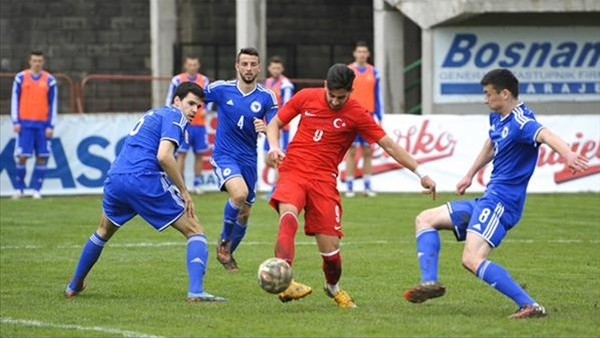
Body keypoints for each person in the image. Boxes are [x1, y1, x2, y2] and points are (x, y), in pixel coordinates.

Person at [403, 68, 589, 319]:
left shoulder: (521, 121)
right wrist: (470, 174)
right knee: (425, 218)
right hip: (489, 199)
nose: (485, 99)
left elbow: (545, 134)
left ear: (505, 93)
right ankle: (430, 284)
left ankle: (530, 305)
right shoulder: (498, 118)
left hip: (502, 204)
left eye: (488, 94)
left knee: (471, 259)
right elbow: (491, 143)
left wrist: (567, 154)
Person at [266, 64, 436, 308]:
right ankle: (284, 280)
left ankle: (333, 288)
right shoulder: (305, 97)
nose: (335, 101)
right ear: (325, 85)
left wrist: (421, 173)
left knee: (331, 254)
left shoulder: (357, 113)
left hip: (324, 181)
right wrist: (274, 146)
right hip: (294, 170)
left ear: (351, 92)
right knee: (288, 216)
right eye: (331, 95)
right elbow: (275, 124)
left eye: (341, 97)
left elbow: (388, 145)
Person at [65, 82, 226, 303]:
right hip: (144, 179)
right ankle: (196, 291)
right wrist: (184, 191)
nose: (193, 111)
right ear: (177, 101)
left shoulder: (154, 114)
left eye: (198, 107)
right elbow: (164, 156)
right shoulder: (174, 116)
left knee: (103, 230)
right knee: (195, 229)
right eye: (190, 104)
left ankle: (74, 285)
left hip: (116, 179)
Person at [205, 47, 278, 271]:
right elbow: (192, 96)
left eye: (252, 64)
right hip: (225, 155)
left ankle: (228, 254)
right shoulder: (221, 89)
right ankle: (225, 243)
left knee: (245, 213)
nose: (248, 68)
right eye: (244, 64)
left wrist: (267, 134)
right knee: (239, 194)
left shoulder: (267, 96)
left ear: (259, 67)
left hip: (248, 159)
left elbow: (276, 125)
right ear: (237, 66)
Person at [10, 50, 58, 199]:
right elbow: (15, 100)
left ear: (43, 63)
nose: (37, 63)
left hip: (42, 125)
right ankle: (20, 189)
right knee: (22, 156)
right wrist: (16, 121)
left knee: (42, 156)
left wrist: (51, 125)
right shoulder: (20, 78)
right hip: (25, 124)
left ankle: (37, 190)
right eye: (34, 61)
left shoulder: (50, 80)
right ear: (30, 62)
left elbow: (53, 104)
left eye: (39, 61)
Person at [165, 56, 211, 194]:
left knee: (200, 154)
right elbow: (170, 99)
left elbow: (209, 98)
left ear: (198, 65)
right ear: (186, 66)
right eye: (190, 64)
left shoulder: (204, 80)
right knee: (181, 155)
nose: (192, 67)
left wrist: (207, 110)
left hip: (200, 124)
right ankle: (179, 184)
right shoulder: (177, 80)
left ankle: (198, 183)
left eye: (195, 64)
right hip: (183, 123)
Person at [344, 41, 383, 198]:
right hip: (352, 115)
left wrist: (380, 116)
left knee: (368, 151)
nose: (361, 54)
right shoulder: (348, 71)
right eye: (359, 51)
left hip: (368, 115)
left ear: (368, 54)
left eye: (364, 52)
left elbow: (378, 95)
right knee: (351, 151)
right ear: (355, 53)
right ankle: (350, 186)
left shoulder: (374, 72)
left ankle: (367, 186)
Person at [263, 56, 295, 198]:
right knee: (267, 159)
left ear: (282, 69)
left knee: (277, 159)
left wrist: (279, 124)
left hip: (281, 128)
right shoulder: (268, 82)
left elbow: (288, 106)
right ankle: (285, 181)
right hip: (268, 127)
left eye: (278, 68)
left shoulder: (286, 85)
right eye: (273, 67)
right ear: (269, 68)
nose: (275, 70)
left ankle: (277, 190)